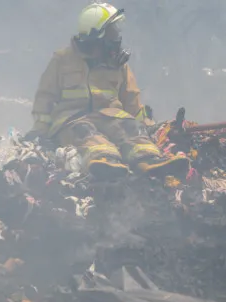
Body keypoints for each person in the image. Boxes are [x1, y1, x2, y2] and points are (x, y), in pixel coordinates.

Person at [28, 2, 189, 181]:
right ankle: (106, 163)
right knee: (86, 132)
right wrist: (40, 130)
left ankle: (149, 161)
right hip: (72, 119)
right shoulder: (63, 60)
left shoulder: (118, 65)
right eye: (112, 32)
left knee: (130, 127)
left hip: (111, 116)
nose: (117, 37)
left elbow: (131, 98)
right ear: (96, 34)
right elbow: (45, 96)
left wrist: (147, 125)